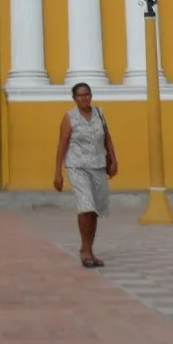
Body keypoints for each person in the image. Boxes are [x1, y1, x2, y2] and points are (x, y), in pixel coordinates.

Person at [53, 82, 116, 267]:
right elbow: (62, 144)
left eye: (87, 94)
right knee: (85, 206)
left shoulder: (99, 114)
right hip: (77, 166)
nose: (84, 98)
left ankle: (89, 248)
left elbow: (107, 137)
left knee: (94, 210)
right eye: (80, 95)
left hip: (98, 166)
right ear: (74, 98)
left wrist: (114, 159)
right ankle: (85, 250)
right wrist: (58, 172)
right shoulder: (69, 118)